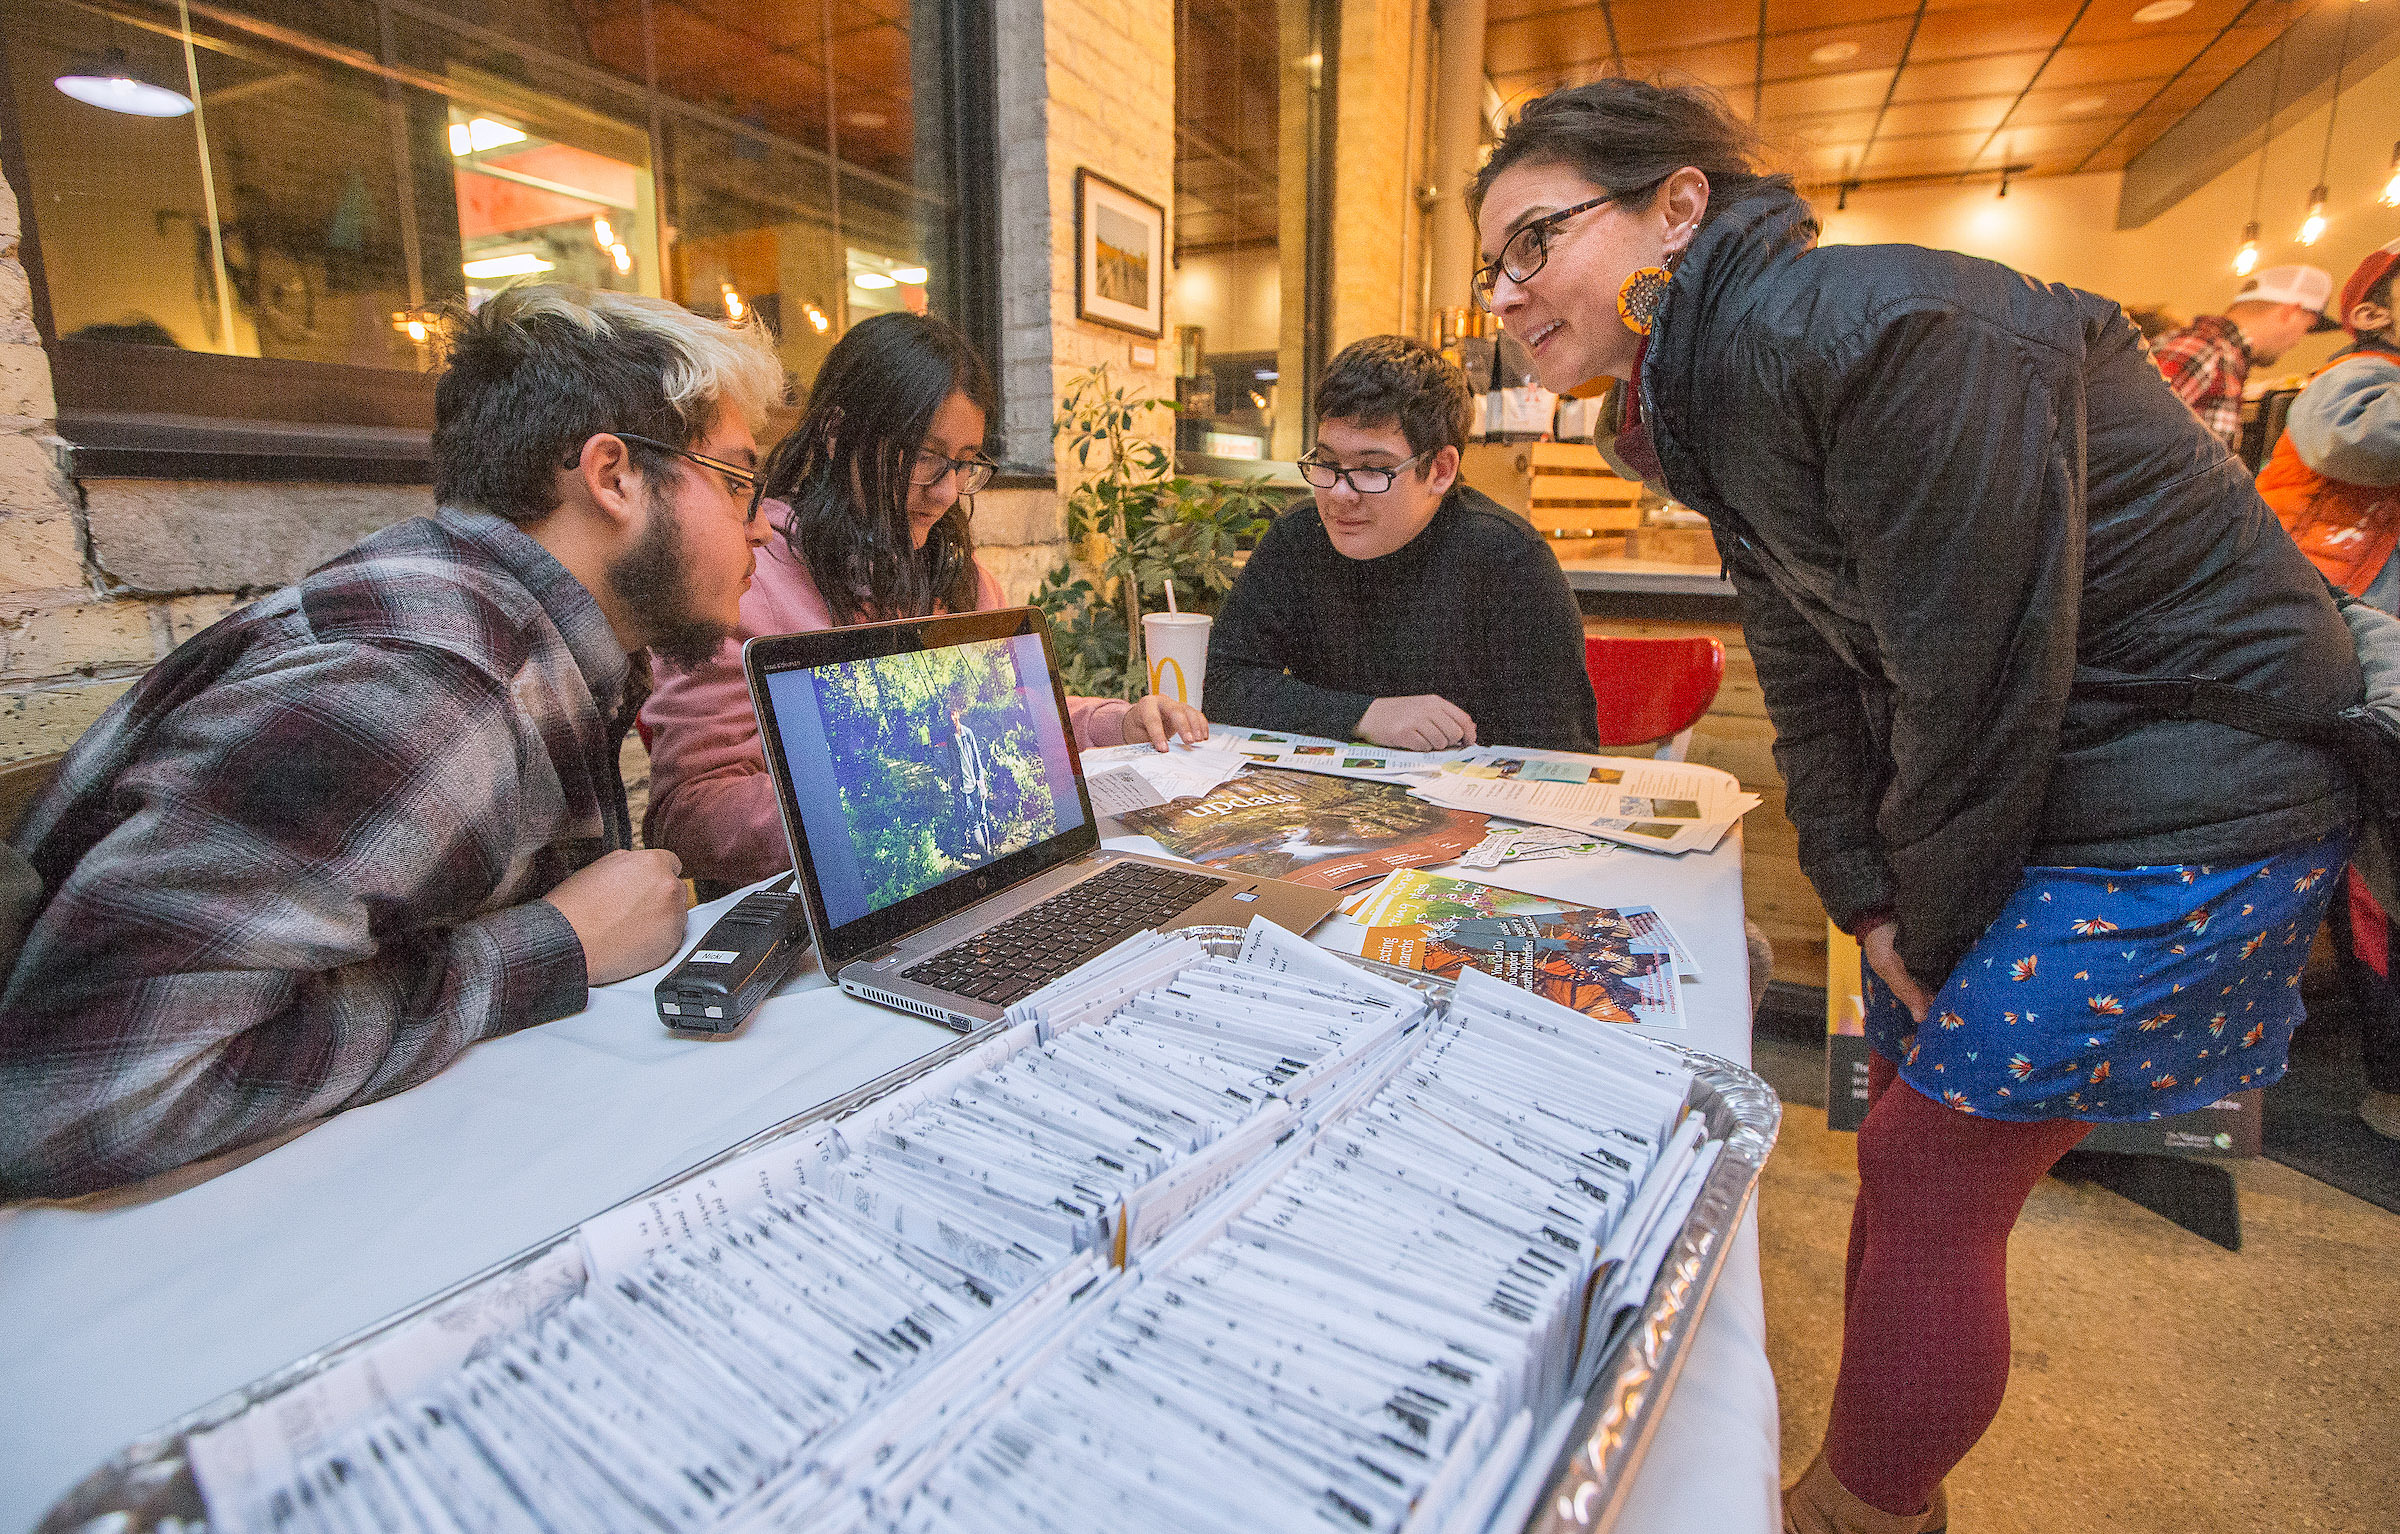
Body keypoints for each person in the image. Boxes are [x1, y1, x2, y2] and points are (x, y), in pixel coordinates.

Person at [1469, 79, 2360, 1533]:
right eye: (1489, 266)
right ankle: (1881, 1479)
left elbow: (1982, 674)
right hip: (2033, 787)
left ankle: (1860, 1506)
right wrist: (1868, 896)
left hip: (2198, 787)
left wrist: (1923, 923)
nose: (1507, 293)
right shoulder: (1707, 398)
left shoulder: (1872, 332)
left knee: (1932, 1158)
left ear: (1681, 206)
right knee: (1899, 1126)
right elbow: (1811, 668)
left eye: (1536, 241)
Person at [0, 284, 783, 1198]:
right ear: (612, 477)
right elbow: (79, 1095)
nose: (762, 522)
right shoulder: (433, 682)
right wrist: (555, 946)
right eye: (736, 480)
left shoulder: (510, 627)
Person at [641, 312, 1206, 891]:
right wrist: (889, 794)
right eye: (926, 456)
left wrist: (1120, 722)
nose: (946, 491)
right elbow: (688, 819)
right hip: (824, 918)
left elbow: (1023, 715)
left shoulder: (958, 575)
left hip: (966, 885)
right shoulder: (748, 575)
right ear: (838, 434)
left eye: (964, 463)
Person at [1203, 335, 1598, 752]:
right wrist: (1363, 715)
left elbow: (1562, 750)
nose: (1340, 494)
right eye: (1328, 463)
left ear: (1440, 471)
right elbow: (1222, 680)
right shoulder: (1298, 538)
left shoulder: (1508, 560)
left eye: (1374, 469)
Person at [2256, 238, 2400, 1138]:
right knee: (2370, 883)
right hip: (2333, 647)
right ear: (2373, 312)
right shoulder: (2354, 379)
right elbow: (2359, 439)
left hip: (2368, 656)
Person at [2149, 263, 2337, 452]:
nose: (2297, 341)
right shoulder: (2206, 351)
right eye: (2306, 328)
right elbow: (2129, 437)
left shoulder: (2221, 354)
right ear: (2290, 312)